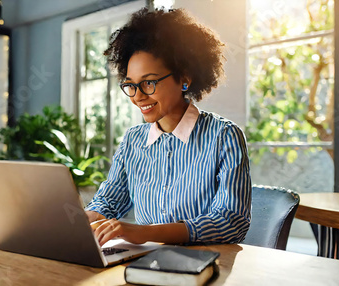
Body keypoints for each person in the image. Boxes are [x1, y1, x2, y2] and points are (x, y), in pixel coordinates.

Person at [85, 8, 251, 246]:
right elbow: (109, 202)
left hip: (207, 267)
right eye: (131, 85)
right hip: (146, 263)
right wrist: (77, 221)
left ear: (184, 79)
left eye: (149, 82)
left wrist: (146, 233)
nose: (137, 97)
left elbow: (231, 222)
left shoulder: (224, 137)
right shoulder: (133, 140)